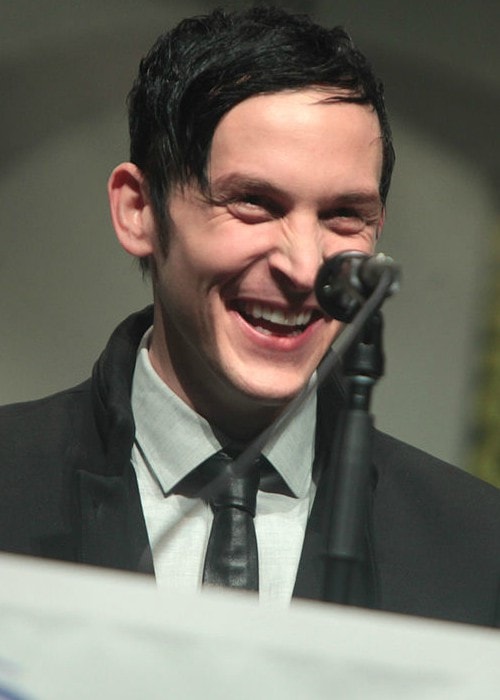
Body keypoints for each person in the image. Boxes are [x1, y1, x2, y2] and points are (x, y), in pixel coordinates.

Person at [1, 5, 500, 627]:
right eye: (254, 204)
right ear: (139, 211)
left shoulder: (479, 549)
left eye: (344, 215)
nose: (301, 265)